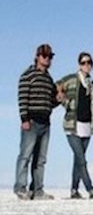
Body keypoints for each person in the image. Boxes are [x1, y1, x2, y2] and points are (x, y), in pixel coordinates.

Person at [14, 44, 59, 200]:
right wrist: (24, 119)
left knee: (40, 159)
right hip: (31, 122)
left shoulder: (48, 79)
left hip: (45, 122)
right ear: (37, 57)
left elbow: (50, 102)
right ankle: (20, 187)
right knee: (25, 155)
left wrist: (58, 100)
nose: (47, 59)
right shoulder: (28, 75)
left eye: (50, 57)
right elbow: (22, 98)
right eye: (44, 56)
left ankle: (37, 189)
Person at [56, 52, 93, 199]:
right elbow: (57, 85)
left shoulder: (91, 83)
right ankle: (91, 189)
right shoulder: (72, 79)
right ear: (79, 65)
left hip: (87, 126)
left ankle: (74, 190)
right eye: (83, 63)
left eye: (89, 63)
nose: (86, 65)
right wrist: (64, 100)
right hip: (72, 125)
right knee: (81, 160)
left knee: (78, 160)